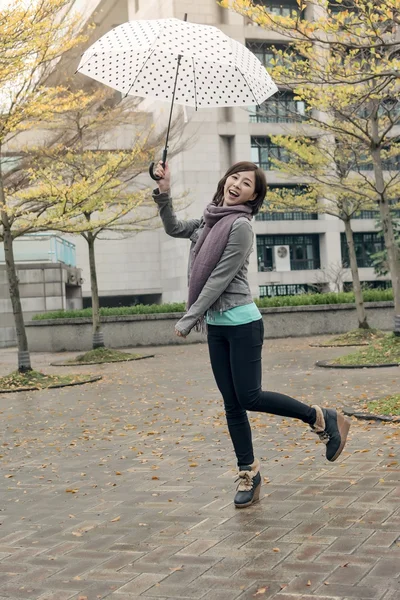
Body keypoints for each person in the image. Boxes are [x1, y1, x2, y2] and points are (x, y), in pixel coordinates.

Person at [152, 160, 350, 509]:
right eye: (235, 177)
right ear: (225, 180)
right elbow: (174, 228)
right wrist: (164, 191)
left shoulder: (240, 226)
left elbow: (220, 279)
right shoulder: (208, 219)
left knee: (249, 397)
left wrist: (189, 317)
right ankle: (250, 473)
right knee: (232, 405)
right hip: (217, 327)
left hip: (242, 323)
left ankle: (319, 417)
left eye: (247, 183)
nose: (237, 184)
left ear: (253, 196)